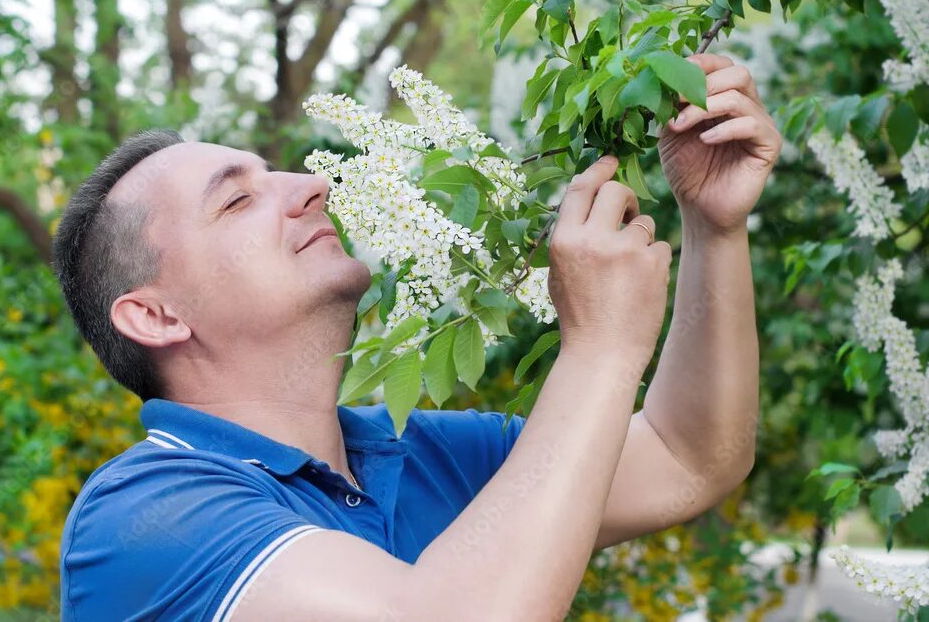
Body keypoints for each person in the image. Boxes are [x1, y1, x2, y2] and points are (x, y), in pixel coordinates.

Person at [55, 54, 780, 620]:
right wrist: (599, 348)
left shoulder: (424, 453)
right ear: (155, 316)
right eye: (239, 198)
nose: (309, 185)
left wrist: (714, 228)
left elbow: (691, 455)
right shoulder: (145, 515)